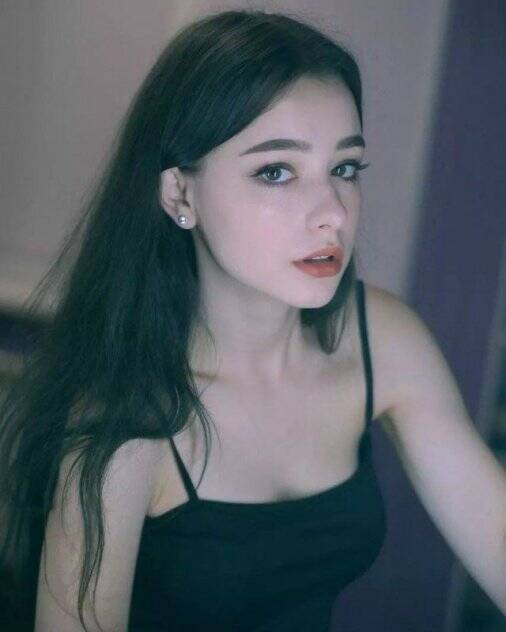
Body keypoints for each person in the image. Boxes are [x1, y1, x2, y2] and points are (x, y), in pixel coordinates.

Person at [0, 8, 504, 632]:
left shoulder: (382, 338)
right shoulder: (124, 420)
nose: (332, 213)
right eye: (276, 172)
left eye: (344, 169)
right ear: (180, 194)